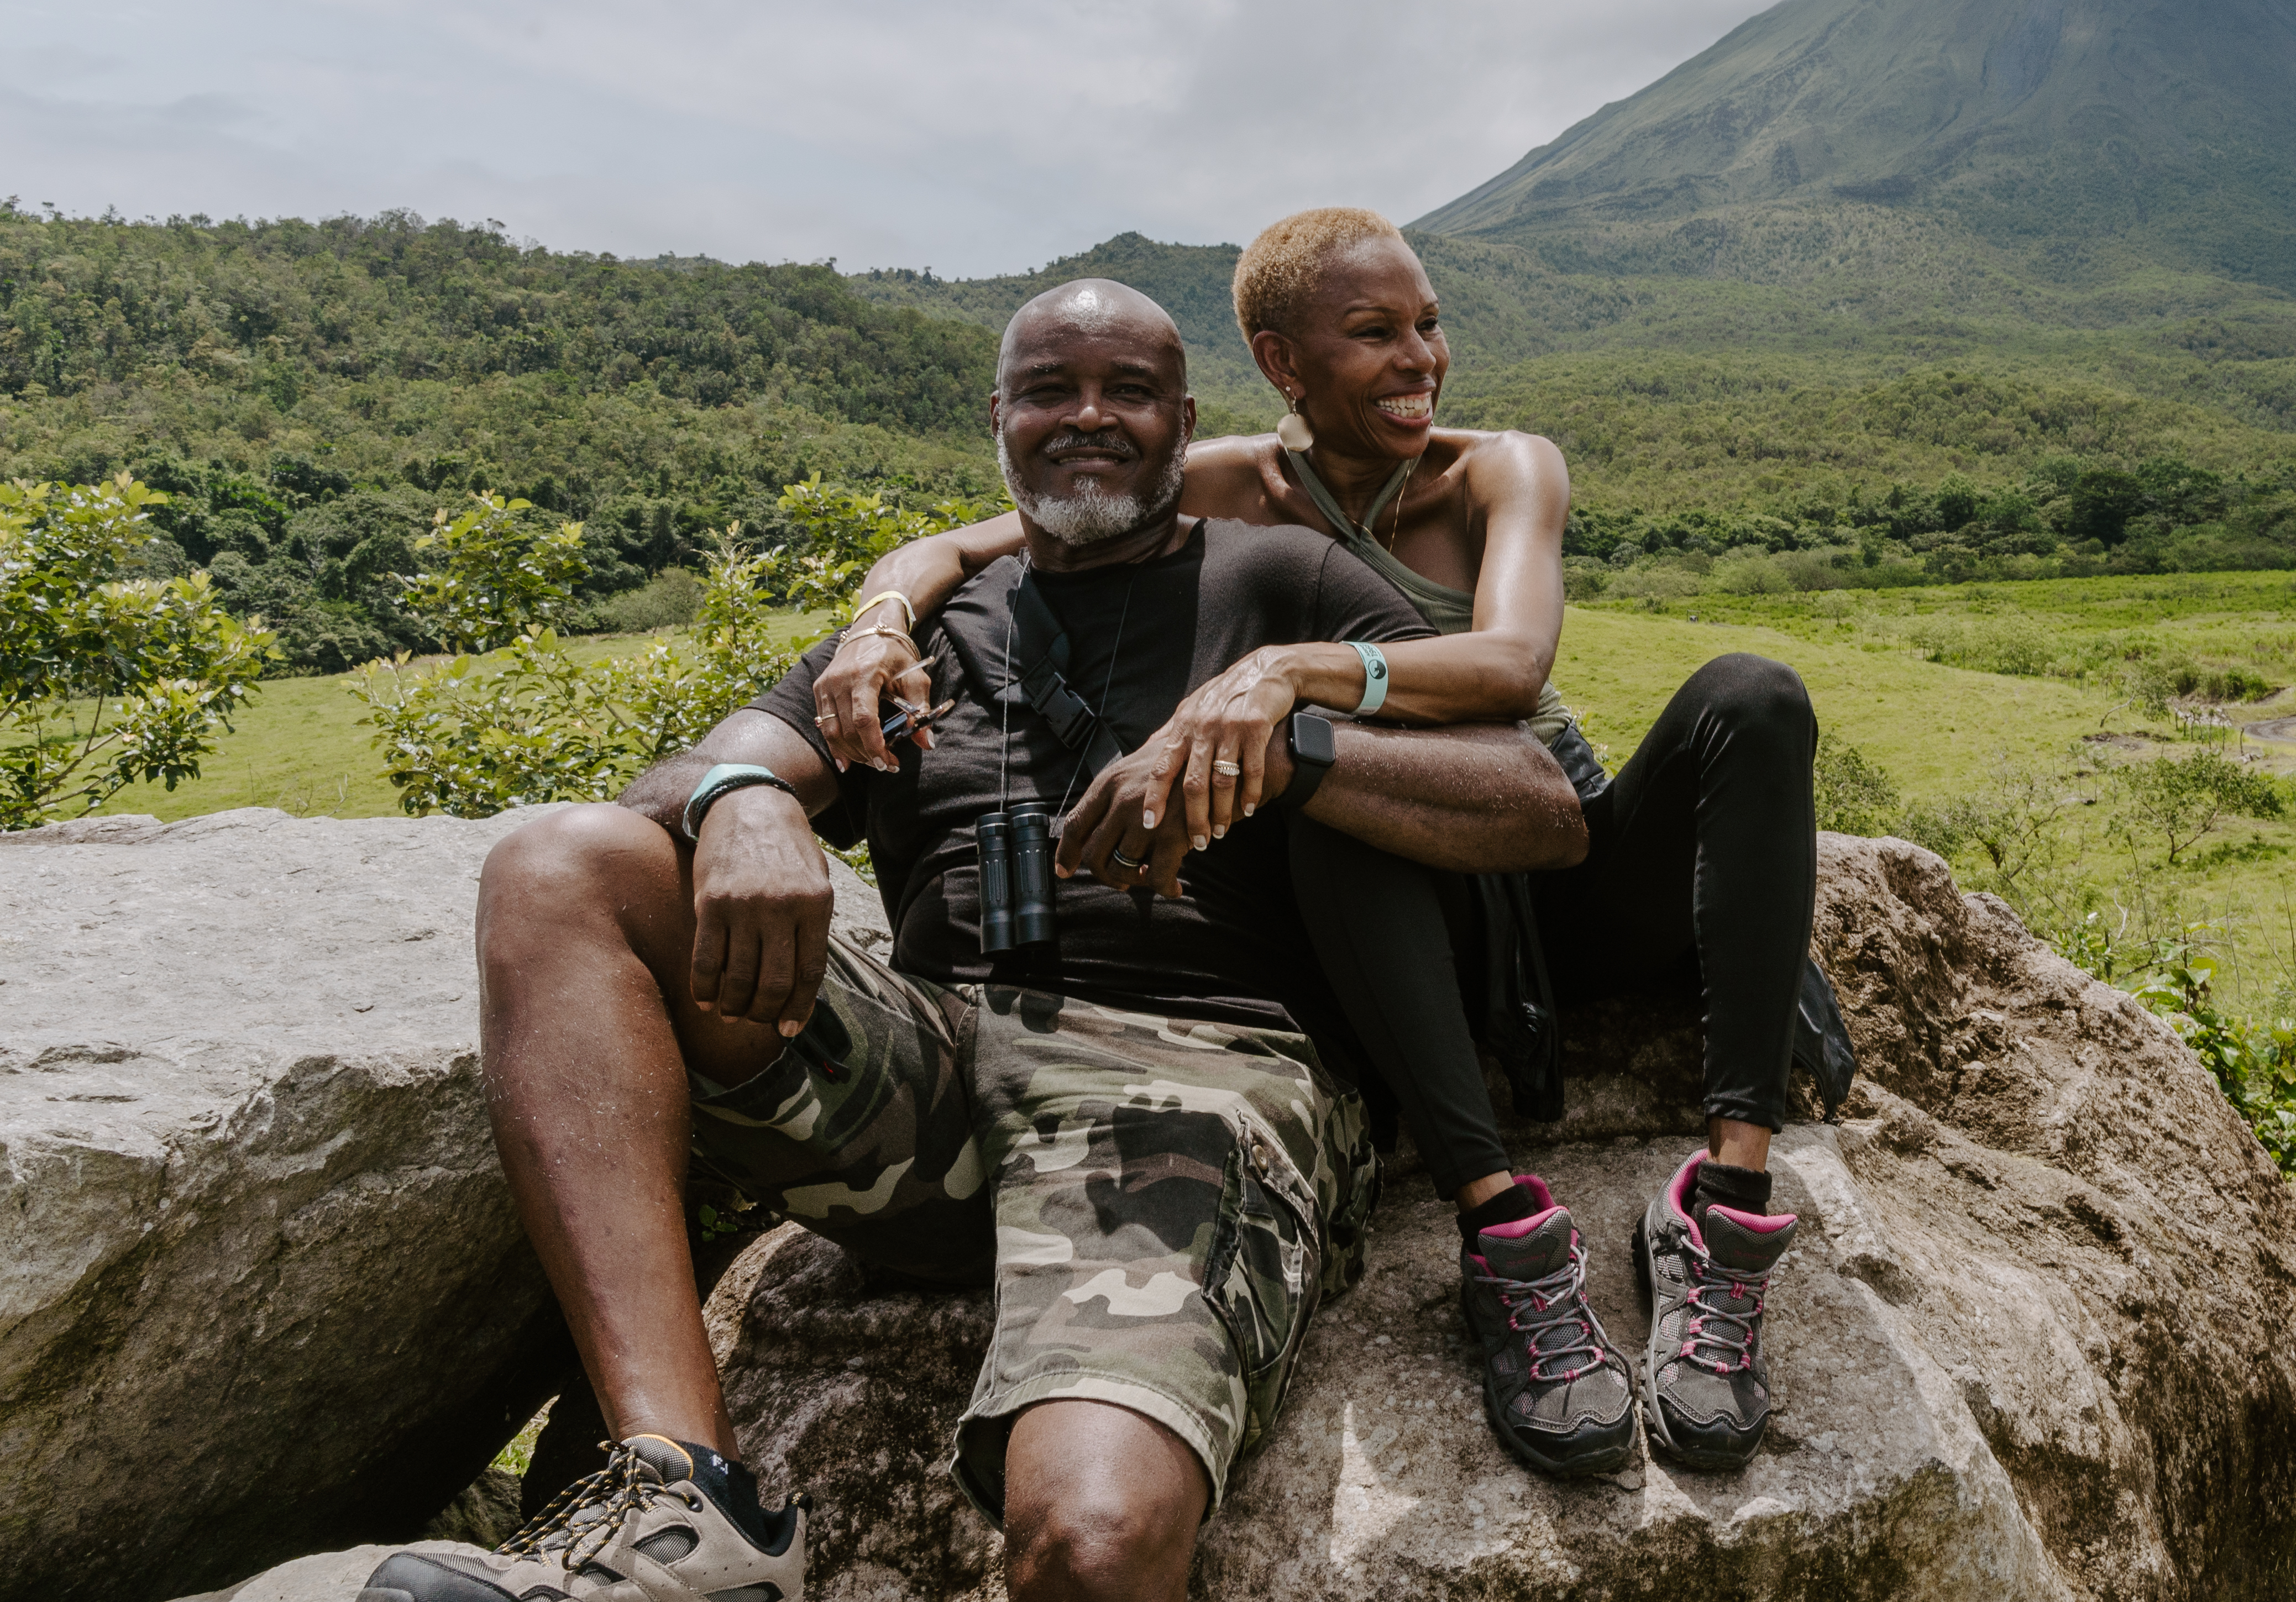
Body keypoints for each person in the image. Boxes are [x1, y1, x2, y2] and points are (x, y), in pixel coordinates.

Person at [361, 280, 1589, 1602]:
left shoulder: (1281, 578)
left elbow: (1535, 802)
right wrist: (751, 798)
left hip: (1196, 1080)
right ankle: (685, 1505)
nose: (1089, 417)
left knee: (1095, 1541)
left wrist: (1294, 741)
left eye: (1129, 390)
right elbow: (677, 784)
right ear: (998, 416)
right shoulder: (935, 622)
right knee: (558, 863)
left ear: (1185, 424)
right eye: (1052, 388)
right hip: (932, 1068)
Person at [814, 208, 1846, 1482]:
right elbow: (970, 539)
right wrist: (874, 623)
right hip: (1419, 907)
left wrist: (1291, 667)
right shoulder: (1224, 480)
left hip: (1549, 856)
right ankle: (1501, 1221)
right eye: (1374, 333)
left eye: (1429, 324)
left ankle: (1729, 1200)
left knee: (1755, 694)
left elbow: (1515, 663)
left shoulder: (1501, 468)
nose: (1421, 357)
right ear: (1281, 362)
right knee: (1327, 784)